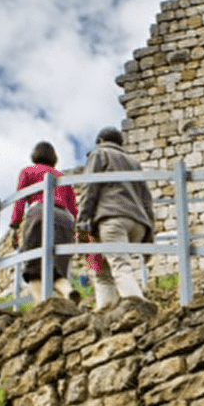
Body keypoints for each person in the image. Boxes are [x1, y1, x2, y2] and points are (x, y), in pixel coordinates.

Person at [76, 127, 155, 310]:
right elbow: (147, 199)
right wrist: (149, 234)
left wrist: (82, 221)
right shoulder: (134, 163)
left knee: (119, 265)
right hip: (138, 224)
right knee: (101, 269)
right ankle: (105, 307)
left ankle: (138, 305)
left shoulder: (99, 154)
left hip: (113, 218)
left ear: (101, 140)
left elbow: (90, 188)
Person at [11, 141, 79, 302]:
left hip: (39, 214)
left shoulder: (28, 172)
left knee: (34, 270)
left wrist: (15, 225)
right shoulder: (61, 177)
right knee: (57, 269)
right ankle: (68, 292)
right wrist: (76, 230)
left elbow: (20, 201)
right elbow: (73, 209)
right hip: (65, 219)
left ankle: (42, 306)